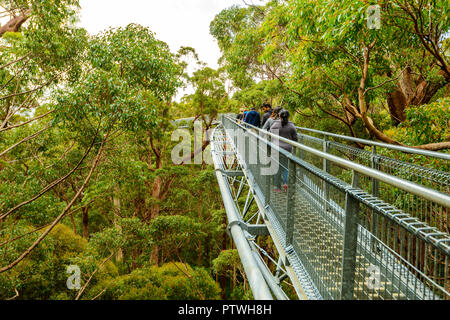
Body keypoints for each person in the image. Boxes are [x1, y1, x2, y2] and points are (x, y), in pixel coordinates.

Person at [269, 109, 298, 192]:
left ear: (279, 116)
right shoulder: (292, 126)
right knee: (286, 167)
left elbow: (270, 135)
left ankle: (278, 187)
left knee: (277, 167)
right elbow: (295, 138)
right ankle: (286, 183)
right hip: (287, 150)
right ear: (288, 116)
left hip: (276, 149)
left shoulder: (274, 124)